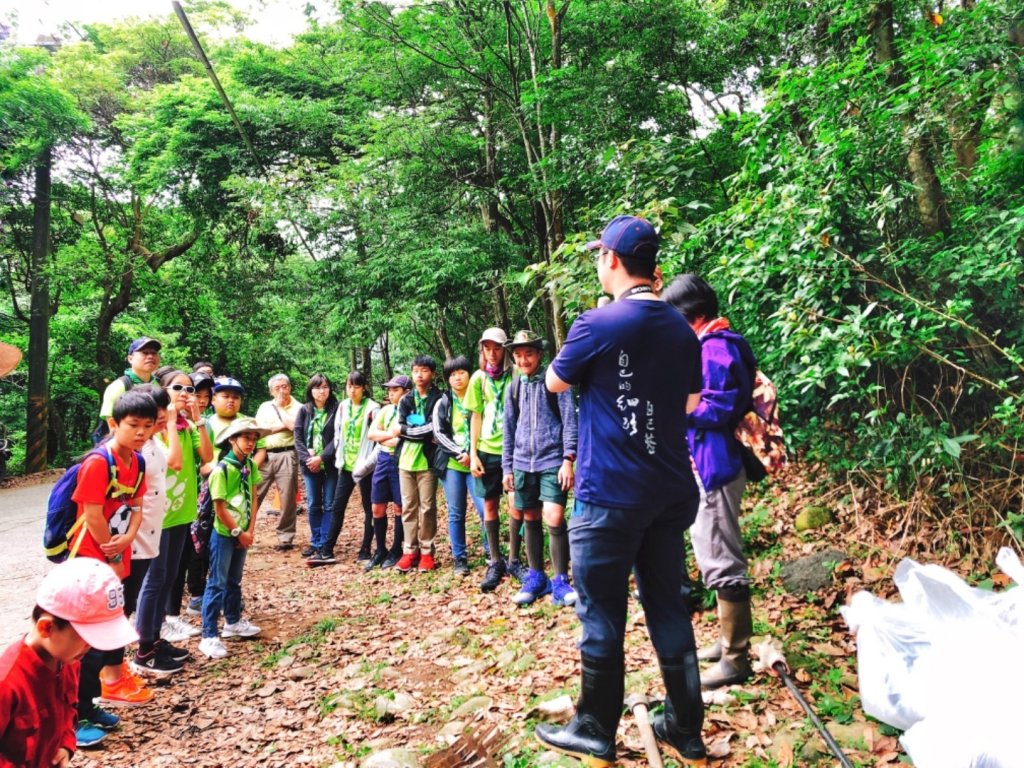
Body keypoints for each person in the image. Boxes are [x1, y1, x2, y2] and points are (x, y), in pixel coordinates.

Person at [535, 215, 708, 766]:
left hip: (609, 496)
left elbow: (554, 380)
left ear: (610, 259)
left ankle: (594, 727)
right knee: (666, 606)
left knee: (602, 612)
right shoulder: (683, 329)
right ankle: (685, 726)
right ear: (652, 268)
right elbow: (689, 404)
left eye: (598, 255)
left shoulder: (597, 324)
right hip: (669, 492)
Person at [663, 274, 756, 689]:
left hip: (716, 465)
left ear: (693, 316)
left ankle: (736, 658)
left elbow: (718, 407)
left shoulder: (717, 347)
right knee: (711, 548)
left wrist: (675, 408)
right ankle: (725, 642)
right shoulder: (712, 343)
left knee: (721, 556)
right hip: (707, 462)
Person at [1, 558, 137, 763]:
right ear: (46, 628)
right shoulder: (7, 682)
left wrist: (65, 746)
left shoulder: (69, 661)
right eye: (86, 638)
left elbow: (68, 711)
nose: (92, 646)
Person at [72, 389, 155, 709]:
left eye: (148, 426)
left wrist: (129, 539)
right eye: (133, 425)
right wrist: (115, 555)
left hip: (119, 557)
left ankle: (94, 701)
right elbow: (92, 515)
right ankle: (78, 711)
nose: (141, 433)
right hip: (93, 562)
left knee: (113, 627)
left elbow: (136, 508)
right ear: (113, 423)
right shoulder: (98, 463)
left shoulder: (137, 462)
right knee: (87, 637)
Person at [136, 371, 213, 665]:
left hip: (182, 511)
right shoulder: (155, 427)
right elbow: (175, 462)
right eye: (177, 387)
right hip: (158, 515)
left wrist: (197, 420)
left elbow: (206, 456)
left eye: (189, 388)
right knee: (155, 580)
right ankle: (145, 648)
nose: (185, 392)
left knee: (168, 578)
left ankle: (156, 638)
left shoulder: (185, 425)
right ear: (163, 391)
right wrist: (169, 421)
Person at [501, 330, 578, 607]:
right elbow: (508, 427)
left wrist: (569, 458)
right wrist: (506, 467)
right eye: (518, 355)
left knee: (554, 516)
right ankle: (536, 577)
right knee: (530, 516)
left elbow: (570, 420)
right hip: (522, 462)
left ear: (539, 354)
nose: (523, 359)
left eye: (528, 353)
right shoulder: (514, 385)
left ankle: (560, 580)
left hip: (552, 460)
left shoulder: (555, 380)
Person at [198, 418, 270, 659]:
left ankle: (232, 620)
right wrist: (239, 532)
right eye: (245, 437)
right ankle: (208, 635)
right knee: (217, 581)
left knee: (234, 580)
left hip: (242, 532)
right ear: (232, 440)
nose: (251, 442)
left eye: (254, 438)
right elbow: (219, 508)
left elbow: (254, 497)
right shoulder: (222, 470)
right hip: (224, 533)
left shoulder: (249, 466)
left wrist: (250, 530)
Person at [464, 328, 516, 592]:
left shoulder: (515, 374)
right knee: (490, 507)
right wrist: (473, 454)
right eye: (487, 348)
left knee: (516, 505)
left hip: (514, 450)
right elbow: (475, 416)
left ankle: (515, 558)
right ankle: (495, 560)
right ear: (482, 351)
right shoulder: (478, 378)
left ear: (505, 348)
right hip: (486, 450)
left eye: (497, 348)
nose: (492, 354)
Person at [432, 355, 487, 575]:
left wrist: (475, 455)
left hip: (478, 463)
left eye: (461, 373)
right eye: (452, 375)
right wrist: (460, 453)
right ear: (447, 379)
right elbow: (438, 433)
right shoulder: (443, 402)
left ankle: (491, 552)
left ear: (469, 374)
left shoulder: (481, 397)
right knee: (456, 512)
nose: (457, 378)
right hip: (453, 466)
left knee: (485, 510)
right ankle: (459, 558)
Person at [319, 372, 378, 564]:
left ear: (364, 387)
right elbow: (338, 433)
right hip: (346, 465)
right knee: (337, 506)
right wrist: (339, 458)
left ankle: (365, 549)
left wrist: (369, 462)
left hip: (367, 466)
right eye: (349, 386)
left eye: (356, 386)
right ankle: (327, 549)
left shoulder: (373, 408)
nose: (352, 391)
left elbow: (377, 437)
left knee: (369, 508)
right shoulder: (343, 407)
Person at [395, 355, 443, 573]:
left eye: (424, 370)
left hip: (427, 461)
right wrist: (414, 432)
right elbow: (400, 427)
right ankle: (409, 551)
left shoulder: (439, 398)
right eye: (416, 371)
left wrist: (408, 432)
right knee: (408, 508)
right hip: (405, 461)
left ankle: (426, 552)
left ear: (432, 373)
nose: (419, 375)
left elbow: (436, 428)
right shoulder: (405, 400)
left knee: (428, 508)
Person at [364, 376, 410, 570]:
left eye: (395, 390)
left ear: (406, 391)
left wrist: (388, 438)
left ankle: (396, 549)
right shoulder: (385, 410)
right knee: (377, 506)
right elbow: (371, 434)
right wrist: (391, 435)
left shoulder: (412, 411)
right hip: (383, 460)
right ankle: (380, 549)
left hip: (401, 460)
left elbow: (403, 440)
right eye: (389, 389)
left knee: (400, 507)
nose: (391, 393)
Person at [294, 374, 339, 562]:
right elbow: (298, 437)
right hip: (309, 466)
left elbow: (339, 437)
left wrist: (321, 457)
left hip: (329, 465)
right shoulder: (304, 410)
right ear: (310, 390)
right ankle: (315, 540)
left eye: (325, 387)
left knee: (329, 503)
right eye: (317, 387)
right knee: (313, 504)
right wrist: (307, 459)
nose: (322, 391)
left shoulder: (336, 410)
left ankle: (324, 543)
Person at [254, 374, 302, 550]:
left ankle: (285, 537)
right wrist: (283, 426)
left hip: (287, 454)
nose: (281, 391)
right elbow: (259, 431)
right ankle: (244, 532)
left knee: (288, 497)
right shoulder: (265, 407)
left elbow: (295, 427)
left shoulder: (299, 407)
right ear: (270, 391)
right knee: (254, 493)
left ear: (290, 388)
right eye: (277, 388)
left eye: (284, 386)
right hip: (263, 454)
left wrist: (281, 409)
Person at [98, 337, 162, 421]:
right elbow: (111, 422)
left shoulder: (158, 385)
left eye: (154, 353)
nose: (150, 356)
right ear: (130, 359)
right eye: (145, 353)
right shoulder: (119, 386)